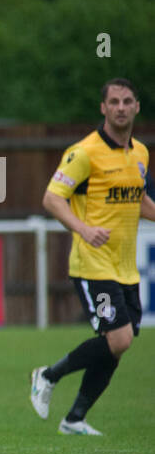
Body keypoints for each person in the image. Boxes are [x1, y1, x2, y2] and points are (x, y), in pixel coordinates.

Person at [29, 77, 152, 435]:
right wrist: (83, 229)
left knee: (116, 346)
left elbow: (139, 200)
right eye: (113, 101)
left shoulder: (140, 153)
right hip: (92, 263)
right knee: (120, 338)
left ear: (137, 107)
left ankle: (75, 419)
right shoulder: (84, 152)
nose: (120, 108)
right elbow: (52, 198)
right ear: (103, 108)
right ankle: (47, 375)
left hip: (124, 266)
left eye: (127, 101)